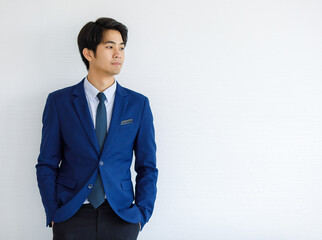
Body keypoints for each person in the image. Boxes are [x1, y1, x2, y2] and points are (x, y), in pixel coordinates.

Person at [35, 17, 158, 240]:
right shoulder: (59, 102)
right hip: (72, 213)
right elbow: (47, 163)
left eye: (121, 47)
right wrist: (54, 212)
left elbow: (147, 166)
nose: (118, 54)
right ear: (88, 53)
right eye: (110, 47)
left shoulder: (138, 104)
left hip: (121, 215)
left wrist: (142, 213)